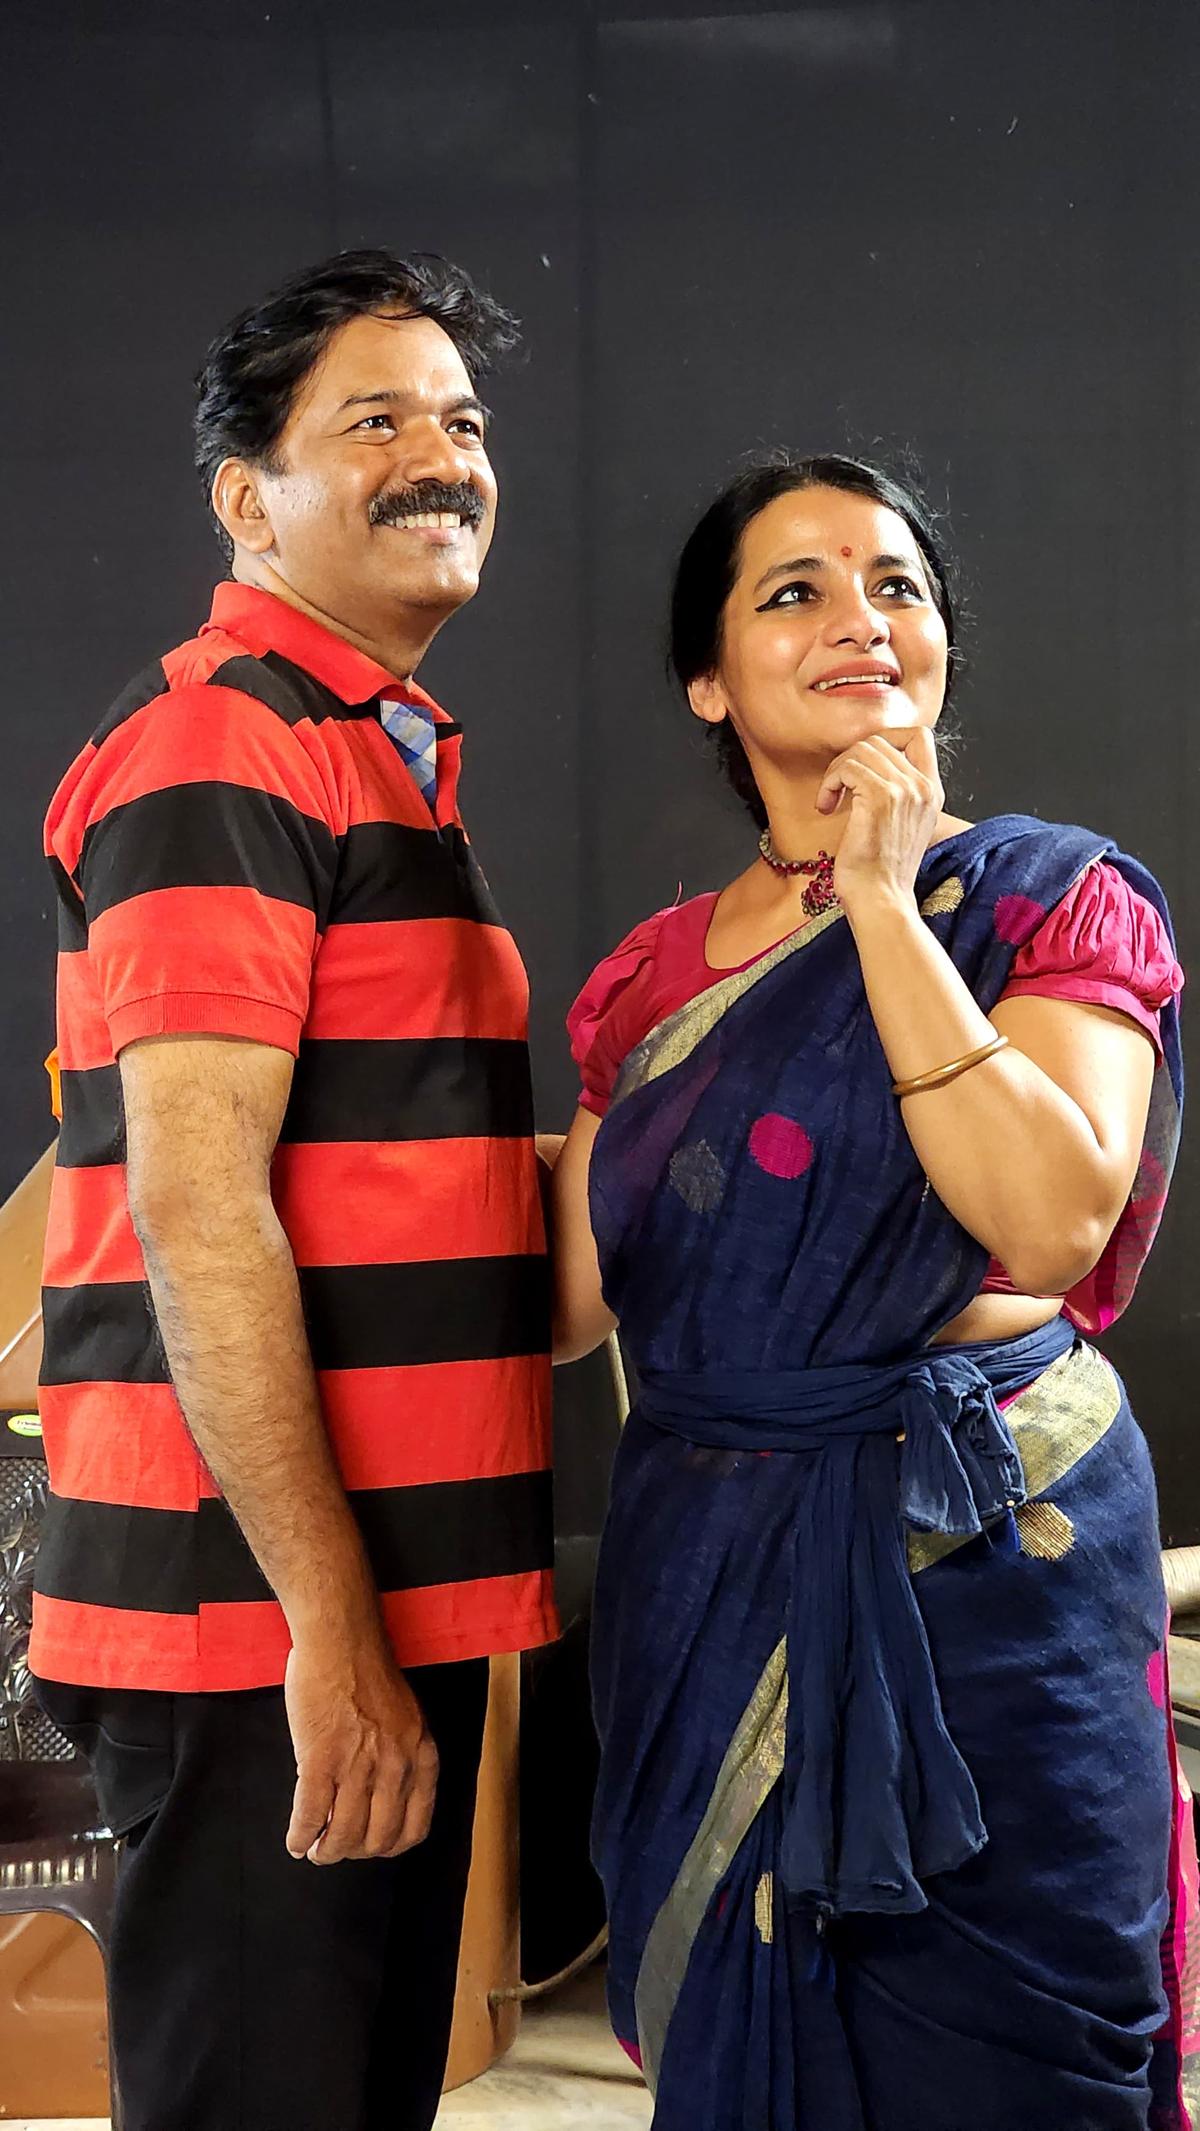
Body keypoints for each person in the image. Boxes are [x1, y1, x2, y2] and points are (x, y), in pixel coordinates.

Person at [549, 455, 1194, 2129]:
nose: (860, 620)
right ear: (709, 675)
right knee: (743, 2035)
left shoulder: (1049, 898)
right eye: (795, 591)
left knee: (1009, 2057)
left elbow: (1050, 1215)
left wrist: (889, 909)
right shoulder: (651, 983)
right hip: (710, 1561)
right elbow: (560, 1294)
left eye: (897, 585)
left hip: (983, 1567)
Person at [31, 248, 558, 2131]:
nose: (443, 455)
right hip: (255, 1613)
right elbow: (198, 1201)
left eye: (465, 421)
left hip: (361, 1596)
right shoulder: (223, 745)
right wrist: (328, 1624)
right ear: (247, 497)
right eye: (378, 420)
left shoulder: (378, 757)